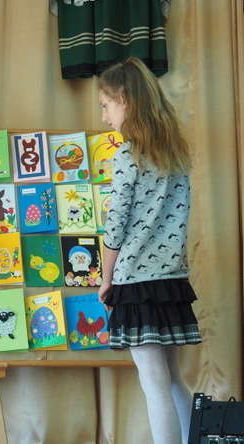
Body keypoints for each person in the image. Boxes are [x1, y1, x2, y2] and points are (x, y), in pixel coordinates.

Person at [97, 57, 201, 444]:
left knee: (154, 384)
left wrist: (106, 279)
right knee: (172, 381)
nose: (105, 117)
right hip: (171, 281)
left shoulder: (127, 156)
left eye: (106, 106)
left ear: (124, 99)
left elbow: (116, 225)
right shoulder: (176, 155)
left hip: (135, 281)